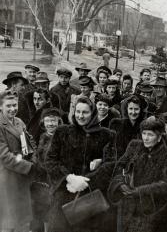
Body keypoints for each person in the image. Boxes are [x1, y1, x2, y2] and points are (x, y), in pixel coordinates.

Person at [44, 96, 117, 232]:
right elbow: (50, 160)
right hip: (64, 192)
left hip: (90, 196)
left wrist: (87, 181)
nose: (80, 116)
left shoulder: (106, 135)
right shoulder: (62, 132)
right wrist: (69, 177)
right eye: (78, 112)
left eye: (85, 112)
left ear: (93, 113)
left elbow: (111, 164)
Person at [108, 117, 167, 232]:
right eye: (144, 133)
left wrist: (139, 191)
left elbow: (166, 184)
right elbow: (120, 166)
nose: (145, 138)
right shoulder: (134, 146)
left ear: (160, 137)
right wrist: (120, 184)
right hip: (126, 204)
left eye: (150, 135)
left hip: (148, 208)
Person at [0, 91, 39, 232]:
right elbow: (4, 157)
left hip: (22, 177)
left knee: (23, 221)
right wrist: (30, 167)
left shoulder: (19, 121)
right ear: (0, 107)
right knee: (8, 222)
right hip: (7, 179)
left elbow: (30, 143)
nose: (12, 109)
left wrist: (35, 158)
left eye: (14, 105)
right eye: (8, 106)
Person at [31, 108, 63, 232]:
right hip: (42, 180)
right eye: (48, 121)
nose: (50, 124)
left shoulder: (62, 136)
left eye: (53, 121)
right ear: (43, 123)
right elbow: (38, 156)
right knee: (40, 210)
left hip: (56, 180)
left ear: (59, 122)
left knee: (53, 212)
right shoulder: (43, 137)